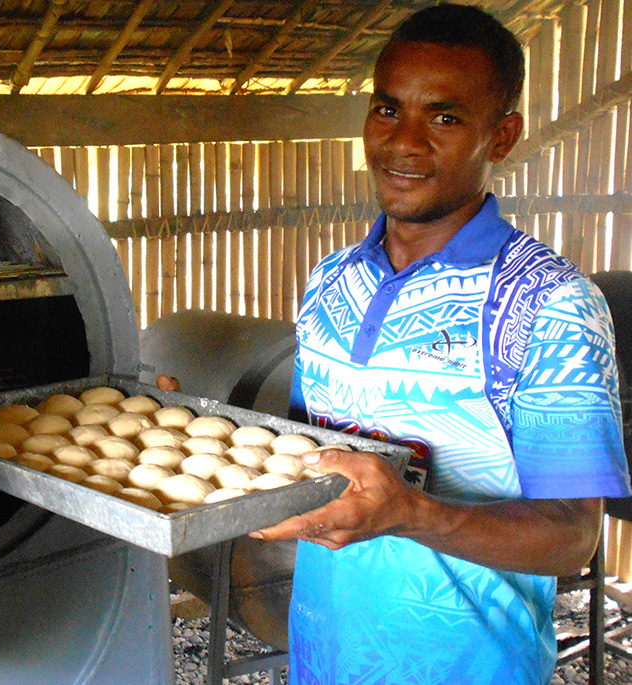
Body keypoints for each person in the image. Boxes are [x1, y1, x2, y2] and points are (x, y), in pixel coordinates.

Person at [249, 4, 632, 684]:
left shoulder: (552, 305)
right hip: (323, 653)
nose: (405, 141)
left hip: (469, 667)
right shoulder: (331, 280)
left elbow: (574, 534)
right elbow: (307, 448)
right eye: (388, 109)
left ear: (502, 135)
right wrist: (196, 422)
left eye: (445, 117)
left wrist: (411, 511)